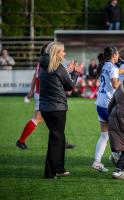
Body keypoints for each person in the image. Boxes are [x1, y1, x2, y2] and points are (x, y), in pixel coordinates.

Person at [16, 43, 76, 150]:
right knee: (39, 119)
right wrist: (70, 71)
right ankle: (21, 141)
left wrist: (31, 91)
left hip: (42, 94)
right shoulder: (48, 63)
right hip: (44, 94)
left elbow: (36, 76)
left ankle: (63, 141)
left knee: (54, 121)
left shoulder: (43, 63)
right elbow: (56, 75)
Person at [39, 42, 83, 179]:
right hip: (57, 108)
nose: (64, 53)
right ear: (56, 53)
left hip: (46, 108)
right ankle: (50, 173)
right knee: (56, 139)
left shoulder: (44, 65)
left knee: (59, 137)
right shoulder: (59, 67)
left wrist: (68, 71)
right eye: (62, 51)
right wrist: (75, 73)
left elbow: (58, 80)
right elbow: (70, 86)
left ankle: (59, 168)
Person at [92, 47, 120, 172]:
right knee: (123, 131)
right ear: (114, 55)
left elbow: (116, 72)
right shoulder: (112, 67)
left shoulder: (104, 65)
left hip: (100, 103)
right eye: (117, 54)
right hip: (109, 104)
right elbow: (115, 84)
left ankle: (97, 162)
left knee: (104, 135)